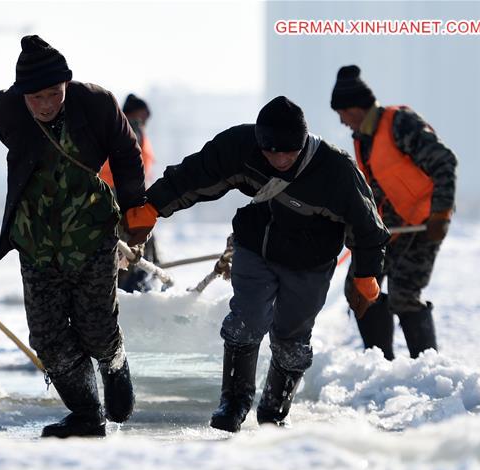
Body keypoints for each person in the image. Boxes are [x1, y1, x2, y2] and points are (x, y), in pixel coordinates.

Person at [143, 96, 390, 432]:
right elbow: (195, 175)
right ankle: (234, 401)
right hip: (255, 246)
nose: (279, 158)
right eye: (271, 151)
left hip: (310, 262)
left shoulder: (336, 171)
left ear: (303, 143)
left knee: (292, 337)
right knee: (247, 318)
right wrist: (153, 206)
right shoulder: (242, 147)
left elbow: (369, 228)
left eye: (288, 151)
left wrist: (366, 276)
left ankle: (274, 409)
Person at [0, 35, 151, 438]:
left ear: (67, 85)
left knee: (95, 325)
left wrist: (135, 217)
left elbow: (128, 155)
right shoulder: (8, 110)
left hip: (91, 233)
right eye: (36, 96)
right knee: (47, 339)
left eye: (54, 93)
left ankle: (113, 364)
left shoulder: (96, 104)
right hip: (36, 240)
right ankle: (86, 413)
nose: (46, 104)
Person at [331, 65, 457, 360]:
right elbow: (373, 191)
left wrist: (441, 214)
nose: (342, 122)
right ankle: (380, 364)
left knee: (404, 293)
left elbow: (445, 163)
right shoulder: (364, 139)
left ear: (354, 109)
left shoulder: (401, 124)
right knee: (361, 287)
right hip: (391, 227)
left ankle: (427, 368)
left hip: (426, 223)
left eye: (342, 114)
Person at [99, 94, 160, 292]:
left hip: (115, 191)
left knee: (131, 239)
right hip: (124, 193)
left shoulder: (116, 126)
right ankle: (133, 286)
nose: (146, 120)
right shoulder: (131, 127)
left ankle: (135, 279)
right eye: (144, 114)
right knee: (133, 239)